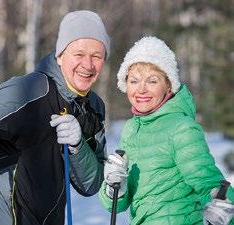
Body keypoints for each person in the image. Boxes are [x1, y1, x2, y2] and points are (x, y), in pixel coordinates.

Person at [0, 10, 110, 225]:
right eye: (78, 54)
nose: (87, 65)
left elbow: (91, 185)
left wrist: (78, 146)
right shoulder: (28, 89)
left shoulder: (93, 108)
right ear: (60, 56)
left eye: (96, 55)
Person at [99, 36, 234, 225]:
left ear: (169, 85)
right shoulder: (131, 129)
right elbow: (118, 204)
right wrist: (115, 186)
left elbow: (207, 182)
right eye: (134, 81)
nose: (141, 89)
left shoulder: (182, 128)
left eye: (152, 81)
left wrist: (224, 206)